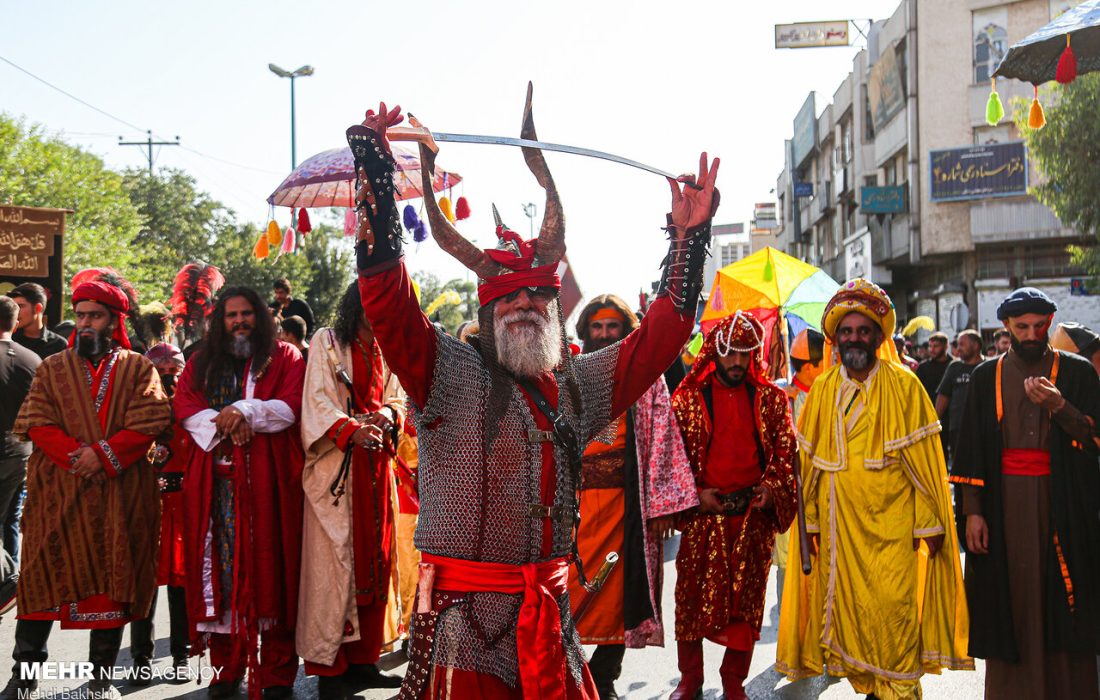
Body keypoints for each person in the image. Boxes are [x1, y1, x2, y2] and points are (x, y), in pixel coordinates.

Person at [346, 95, 719, 699]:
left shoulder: (577, 385)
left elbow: (661, 338)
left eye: (536, 299)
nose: (523, 306)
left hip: (551, 619)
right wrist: (378, 172)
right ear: (487, 314)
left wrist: (688, 235)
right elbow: (388, 305)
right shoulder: (444, 372)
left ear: (555, 310)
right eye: (508, 300)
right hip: (463, 627)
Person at [776, 279, 971, 700]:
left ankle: (897, 692)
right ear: (836, 338)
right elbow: (809, 467)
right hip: (838, 532)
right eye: (846, 332)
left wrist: (930, 522)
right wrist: (809, 521)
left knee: (894, 614)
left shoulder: (905, 387)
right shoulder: (824, 389)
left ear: (879, 337)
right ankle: (873, 691)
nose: (854, 339)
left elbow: (925, 469)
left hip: (893, 531)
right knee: (850, 621)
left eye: (863, 331)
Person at [4, 277, 171, 700]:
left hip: (119, 495)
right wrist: (79, 456)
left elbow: (151, 419)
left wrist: (106, 455)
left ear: (114, 321)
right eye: (80, 316)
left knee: (111, 578)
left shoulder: (138, 367)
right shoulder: (52, 367)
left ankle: (99, 680)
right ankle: (23, 678)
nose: (86, 324)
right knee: (41, 577)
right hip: (58, 492)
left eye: (95, 316)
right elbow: (35, 420)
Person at [951, 289, 1100, 700]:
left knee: (1065, 600)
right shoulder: (986, 377)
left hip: (1064, 504)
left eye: (1039, 326)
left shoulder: (1079, 373)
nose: (1032, 334)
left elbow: (1094, 438)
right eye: (1022, 327)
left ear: (1050, 323)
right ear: (1006, 328)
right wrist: (973, 513)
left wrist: (1062, 407)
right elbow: (972, 450)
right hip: (1004, 508)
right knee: (1011, 600)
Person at [175, 287, 306, 699]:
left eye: (247, 314)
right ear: (221, 321)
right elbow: (184, 406)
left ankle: (277, 676)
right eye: (231, 315)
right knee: (222, 580)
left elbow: (290, 406)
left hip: (268, 487)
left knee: (275, 576)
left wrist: (245, 410)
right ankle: (226, 670)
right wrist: (229, 419)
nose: (239, 322)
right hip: (215, 490)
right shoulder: (201, 362)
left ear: (261, 318)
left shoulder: (285, 357)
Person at [566, 295, 697, 700]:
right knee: (565, 593)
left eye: (613, 327)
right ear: (585, 331)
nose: (605, 335)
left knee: (623, 596)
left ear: (626, 331)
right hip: (574, 508)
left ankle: (603, 678)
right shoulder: (567, 375)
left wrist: (661, 506)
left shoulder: (646, 377)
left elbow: (662, 438)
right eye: (597, 327)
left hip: (627, 508)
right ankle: (567, 673)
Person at [670, 311, 797, 700]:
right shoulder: (687, 400)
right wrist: (694, 495)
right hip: (703, 517)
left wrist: (773, 488)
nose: (739, 363)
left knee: (747, 603)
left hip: (752, 518)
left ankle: (732, 681)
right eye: (732, 355)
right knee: (692, 602)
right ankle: (690, 680)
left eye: (746, 354)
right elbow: (671, 460)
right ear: (715, 353)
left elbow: (785, 451)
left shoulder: (772, 399)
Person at [297, 282, 407, 698]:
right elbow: (317, 401)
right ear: (357, 302)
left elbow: (399, 398)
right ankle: (331, 670)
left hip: (377, 468)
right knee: (338, 564)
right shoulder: (328, 341)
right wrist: (351, 430)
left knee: (376, 563)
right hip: (340, 469)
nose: (378, 308)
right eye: (373, 300)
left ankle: (364, 662)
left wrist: (384, 415)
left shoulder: (388, 346)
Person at [128, 343, 191, 686]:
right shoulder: (135, 406)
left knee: (181, 586)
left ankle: (181, 656)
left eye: (175, 368)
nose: (169, 374)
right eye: (162, 369)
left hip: (183, 505)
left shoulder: (193, 404)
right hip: (147, 503)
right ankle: (141, 658)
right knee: (145, 587)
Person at [773, 328, 825, 603]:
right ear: (810, 366)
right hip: (792, 500)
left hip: (824, 498)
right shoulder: (781, 395)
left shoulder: (832, 392)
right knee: (789, 571)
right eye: (824, 360)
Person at [0, 297, 40, 612]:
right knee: (10, 518)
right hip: (21, 451)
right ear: (16, 323)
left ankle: (8, 581)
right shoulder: (33, 360)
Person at [935, 329, 983, 462]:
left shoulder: (987, 366)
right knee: (960, 470)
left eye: (962, 344)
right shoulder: (954, 367)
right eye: (958, 345)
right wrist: (934, 421)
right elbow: (944, 395)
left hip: (982, 429)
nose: (958, 348)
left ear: (976, 346)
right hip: (958, 428)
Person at [9, 283, 68, 360]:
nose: (14, 312)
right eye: (13, 307)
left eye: (20, 306)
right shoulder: (9, 339)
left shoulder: (59, 345)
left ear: (38, 308)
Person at [916, 331, 950, 400]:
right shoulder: (923, 367)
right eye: (930, 346)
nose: (932, 349)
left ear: (946, 346)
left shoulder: (954, 366)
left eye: (936, 346)